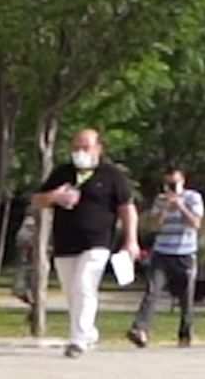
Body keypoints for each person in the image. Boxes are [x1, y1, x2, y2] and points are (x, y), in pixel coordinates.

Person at [29, 129, 139, 358]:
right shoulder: (62, 173)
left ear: (98, 149)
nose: (80, 153)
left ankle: (77, 340)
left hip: (97, 243)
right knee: (72, 292)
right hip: (65, 243)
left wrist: (131, 240)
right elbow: (37, 200)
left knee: (84, 285)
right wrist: (54, 197)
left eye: (85, 147)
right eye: (76, 148)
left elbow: (127, 209)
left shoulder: (112, 176)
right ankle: (88, 332)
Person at [128, 166, 204, 348]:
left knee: (186, 296)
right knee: (152, 291)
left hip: (185, 253)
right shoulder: (160, 200)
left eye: (174, 183)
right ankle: (140, 329)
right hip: (162, 252)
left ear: (182, 181)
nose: (170, 186)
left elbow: (195, 223)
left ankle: (185, 333)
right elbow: (154, 226)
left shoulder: (193, 197)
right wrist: (165, 208)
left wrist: (180, 205)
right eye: (168, 183)